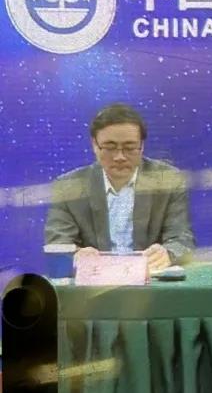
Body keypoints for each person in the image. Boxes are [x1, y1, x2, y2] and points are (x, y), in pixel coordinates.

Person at [45, 103, 195, 270]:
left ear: (142, 146)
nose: (119, 157)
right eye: (110, 148)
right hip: (94, 280)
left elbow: (182, 239)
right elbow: (58, 244)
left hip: (151, 280)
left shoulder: (168, 180)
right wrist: (76, 255)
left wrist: (168, 253)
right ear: (94, 145)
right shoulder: (68, 187)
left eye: (129, 148)